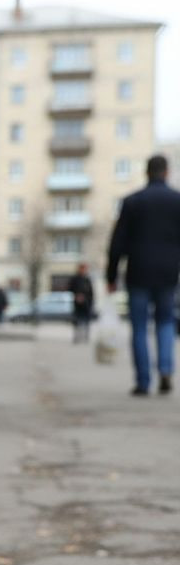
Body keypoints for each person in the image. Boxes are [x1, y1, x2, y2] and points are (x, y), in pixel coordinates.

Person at [107, 154, 180, 395]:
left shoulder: (132, 202)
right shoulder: (176, 201)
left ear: (146, 173)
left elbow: (117, 242)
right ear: (166, 172)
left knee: (139, 327)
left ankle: (143, 381)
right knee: (166, 322)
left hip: (138, 271)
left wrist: (111, 275)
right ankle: (166, 369)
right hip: (168, 272)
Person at [66, 263, 94, 342]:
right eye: (82, 268)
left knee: (86, 321)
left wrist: (89, 300)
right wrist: (76, 296)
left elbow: (91, 292)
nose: (83, 270)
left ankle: (85, 336)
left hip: (86, 303)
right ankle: (77, 336)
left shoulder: (87, 279)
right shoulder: (74, 279)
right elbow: (70, 288)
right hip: (77, 303)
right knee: (76, 320)